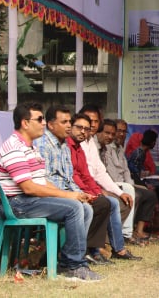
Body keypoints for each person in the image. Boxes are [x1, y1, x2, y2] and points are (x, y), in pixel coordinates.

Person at [0, 103, 102, 282]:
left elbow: (42, 181)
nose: (43, 123)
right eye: (39, 119)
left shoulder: (30, 147)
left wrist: (75, 194)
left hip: (27, 200)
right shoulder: (14, 147)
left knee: (85, 208)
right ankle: (75, 266)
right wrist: (69, 195)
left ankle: (67, 262)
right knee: (74, 207)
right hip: (16, 203)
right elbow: (28, 187)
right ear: (25, 123)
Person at [35, 106, 112, 268]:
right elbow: (43, 180)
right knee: (78, 207)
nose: (69, 126)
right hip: (46, 195)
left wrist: (81, 194)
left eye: (70, 122)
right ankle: (73, 259)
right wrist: (71, 195)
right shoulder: (43, 144)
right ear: (51, 125)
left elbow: (69, 178)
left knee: (90, 206)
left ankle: (71, 256)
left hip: (63, 192)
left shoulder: (63, 145)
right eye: (64, 122)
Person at [67, 113, 141, 263]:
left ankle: (116, 248)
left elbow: (94, 173)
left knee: (116, 200)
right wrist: (94, 192)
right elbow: (74, 175)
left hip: (88, 187)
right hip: (71, 190)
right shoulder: (71, 145)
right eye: (81, 127)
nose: (88, 128)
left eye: (93, 123)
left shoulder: (87, 144)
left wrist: (100, 191)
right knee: (106, 203)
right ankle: (93, 249)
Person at [78, 105, 135, 248]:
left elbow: (100, 172)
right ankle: (99, 246)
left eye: (96, 121)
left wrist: (120, 192)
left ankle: (112, 244)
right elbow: (80, 174)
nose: (92, 124)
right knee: (108, 202)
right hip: (81, 188)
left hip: (92, 186)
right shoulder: (77, 142)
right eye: (88, 120)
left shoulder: (90, 142)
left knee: (124, 200)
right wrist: (98, 190)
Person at [99, 119, 159, 244]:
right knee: (136, 194)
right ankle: (126, 233)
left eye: (124, 132)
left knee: (150, 194)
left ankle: (139, 230)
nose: (121, 134)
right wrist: (129, 186)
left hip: (126, 183)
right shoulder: (107, 148)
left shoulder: (120, 148)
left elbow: (126, 171)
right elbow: (111, 173)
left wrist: (131, 184)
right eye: (119, 131)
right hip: (114, 184)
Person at [127, 129, 159, 219]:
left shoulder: (142, 152)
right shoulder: (139, 154)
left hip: (139, 179)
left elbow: (140, 171)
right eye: (155, 141)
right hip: (134, 182)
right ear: (152, 142)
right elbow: (134, 174)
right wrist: (146, 184)